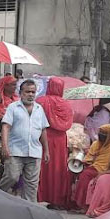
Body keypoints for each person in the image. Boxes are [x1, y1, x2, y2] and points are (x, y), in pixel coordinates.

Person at [0, 80, 49, 202]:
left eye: (33, 92)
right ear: (21, 93)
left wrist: (46, 150)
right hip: (15, 151)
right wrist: (5, 146)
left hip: (34, 151)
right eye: (27, 92)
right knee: (12, 177)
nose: (30, 94)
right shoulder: (13, 107)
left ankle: (29, 209)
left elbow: (43, 130)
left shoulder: (39, 109)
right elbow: (5, 127)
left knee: (32, 185)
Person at [32, 76, 76, 209]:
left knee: (42, 168)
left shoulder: (41, 101)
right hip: (60, 140)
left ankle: (38, 196)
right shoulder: (66, 104)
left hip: (43, 137)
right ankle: (57, 199)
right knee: (58, 168)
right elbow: (68, 123)